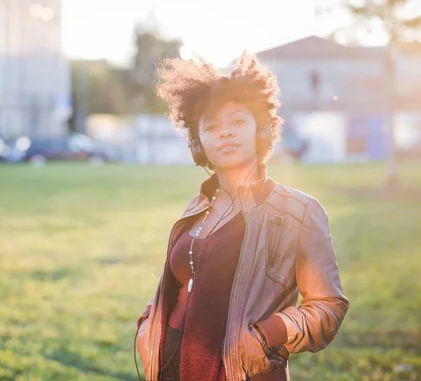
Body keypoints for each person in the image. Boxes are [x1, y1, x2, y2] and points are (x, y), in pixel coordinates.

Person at [134, 52, 349, 381]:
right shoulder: (196, 208)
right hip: (171, 369)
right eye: (211, 125)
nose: (225, 133)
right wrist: (147, 324)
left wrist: (268, 335)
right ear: (199, 142)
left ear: (262, 131)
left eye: (237, 121)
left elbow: (327, 306)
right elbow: (178, 281)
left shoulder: (298, 212)